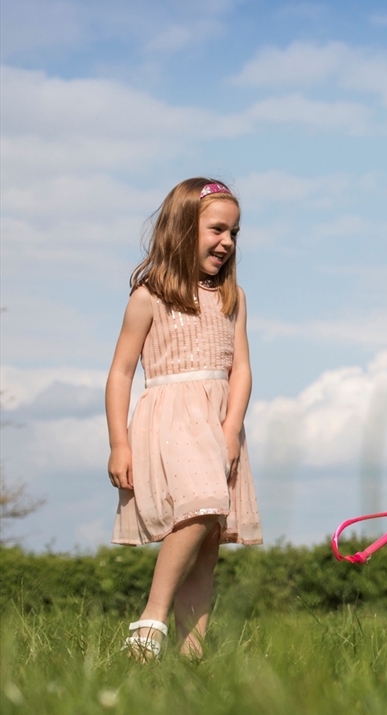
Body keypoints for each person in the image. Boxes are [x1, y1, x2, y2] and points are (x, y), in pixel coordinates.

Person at [105, 178, 262, 659]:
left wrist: (231, 428)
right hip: (169, 420)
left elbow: (242, 370)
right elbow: (120, 373)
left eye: (234, 233)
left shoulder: (232, 299)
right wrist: (119, 444)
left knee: (208, 540)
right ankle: (151, 622)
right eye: (217, 229)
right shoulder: (148, 297)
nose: (227, 242)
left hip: (218, 424)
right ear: (181, 228)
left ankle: (191, 657)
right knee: (202, 503)